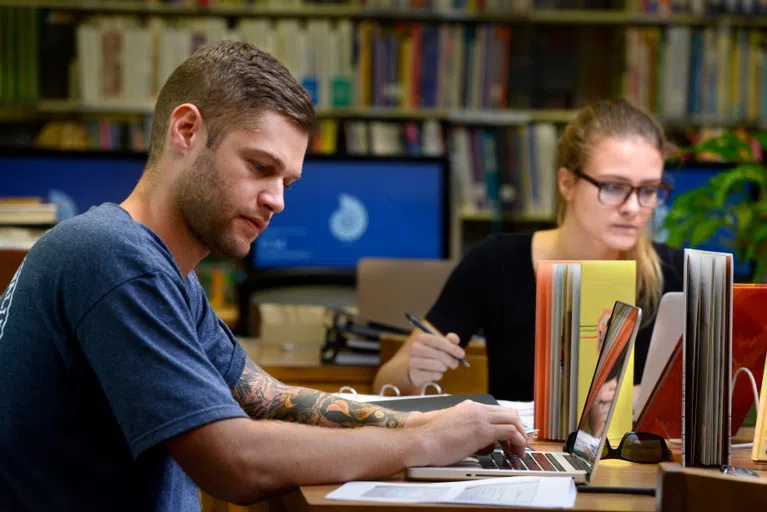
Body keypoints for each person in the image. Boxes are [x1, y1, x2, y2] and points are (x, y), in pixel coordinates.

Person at [0, 42, 528, 511]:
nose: (276, 200)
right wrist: (423, 446)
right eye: (259, 166)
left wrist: (425, 422)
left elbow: (266, 397)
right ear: (187, 130)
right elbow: (234, 462)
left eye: (287, 182)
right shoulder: (112, 257)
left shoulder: (165, 271)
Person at [374, 98, 685, 401]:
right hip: (521, 452)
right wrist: (414, 372)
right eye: (613, 187)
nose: (633, 207)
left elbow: (715, 401)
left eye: (648, 190)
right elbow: (384, 385)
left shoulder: (674, 272)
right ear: (567, 183)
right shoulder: (497, 262)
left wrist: (637, 398)